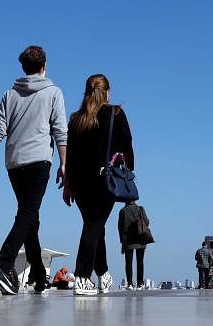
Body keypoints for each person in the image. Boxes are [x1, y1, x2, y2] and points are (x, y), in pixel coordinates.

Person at [0, 45, 68, 296]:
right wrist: (64, 163)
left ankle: (38, 274)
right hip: (39, 161)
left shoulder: (9, 94)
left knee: (31, 217)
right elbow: (60, 131)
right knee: (28, 213)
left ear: (23, 67)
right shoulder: (53, 92)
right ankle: (4, 266)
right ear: (44, 66)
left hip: (14, 163)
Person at [63, 73, 133, 296]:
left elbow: (70, 155)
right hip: (106, 179)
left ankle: (102, 274)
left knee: (95, 226)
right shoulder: (116, 113)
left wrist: (68, 184)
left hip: (80, 182)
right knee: (94, 225)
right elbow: (128, 146)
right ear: (108, 92)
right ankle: (82, 276)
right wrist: (128, 176)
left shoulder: (75, 119)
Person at [118, 199, 152, 290]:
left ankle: (129, 284)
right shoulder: (140, 209)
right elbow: (147, 222)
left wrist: (122, 240)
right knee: (140, 262)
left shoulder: (123, 211)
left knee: (128, 263)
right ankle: (140, 284)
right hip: (141, 239)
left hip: (128, 240)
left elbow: (120, 227)